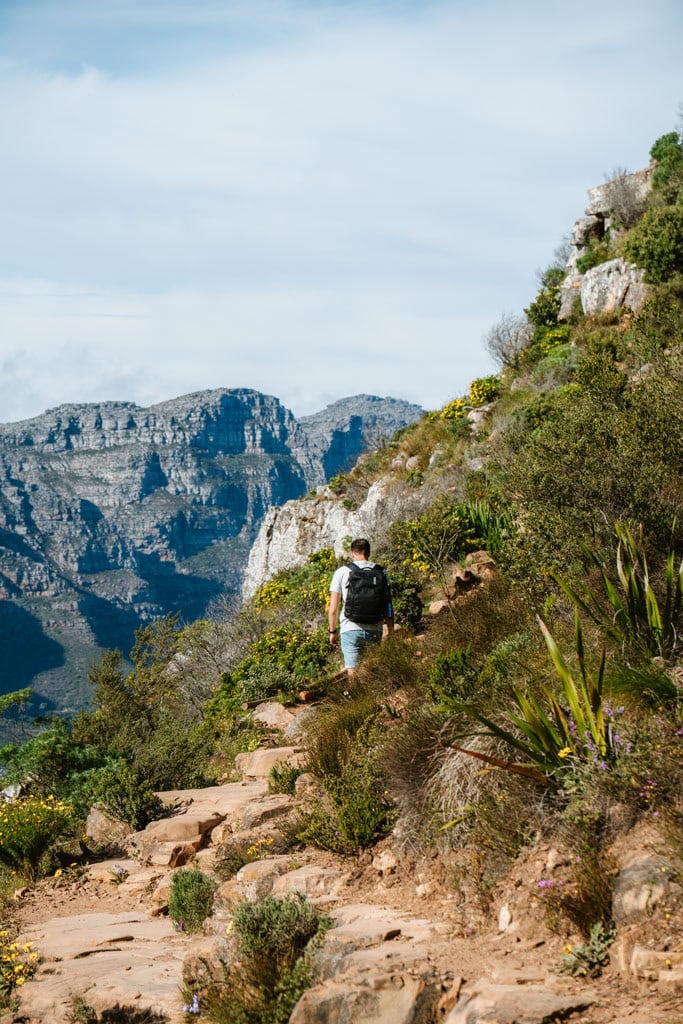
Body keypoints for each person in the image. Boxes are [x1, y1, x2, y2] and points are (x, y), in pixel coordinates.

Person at [328, 538, 394, 673]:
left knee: (353, 673)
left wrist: (332, 632)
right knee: (371, 672)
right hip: (375, 629)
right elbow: (388, 605)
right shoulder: (382, 572)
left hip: (350, 628)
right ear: (369, 552)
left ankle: (355, 693)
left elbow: (333, 609)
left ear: (352, 553)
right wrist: (391, 630)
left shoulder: (342, 572)